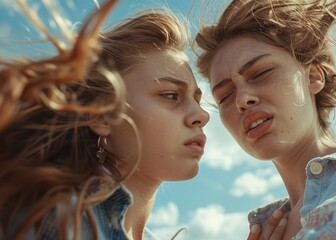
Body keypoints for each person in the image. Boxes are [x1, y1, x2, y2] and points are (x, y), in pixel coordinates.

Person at [195, 0, 336, 239]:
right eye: (224, 96)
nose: (242, 99)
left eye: (261, 73)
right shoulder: (266, 230)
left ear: (314, 76)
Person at [0, 0, 209, 239]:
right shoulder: (55, 219)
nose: (202, 115)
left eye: (197, 99)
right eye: (171, 95)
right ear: (102, 115)